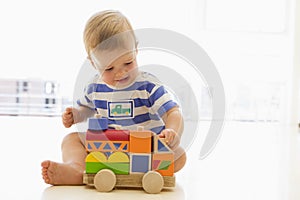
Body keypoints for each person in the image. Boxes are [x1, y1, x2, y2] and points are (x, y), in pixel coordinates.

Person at [41, 10, 186, 185]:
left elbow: (173, 112)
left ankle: (147, 170)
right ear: (94, 63)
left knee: (179, 155)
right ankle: (78, 169)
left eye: (128, 62)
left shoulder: (148, 86)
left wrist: (172, 132)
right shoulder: (94, 88)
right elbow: (85, 110)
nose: (121, 73)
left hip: (145, 149)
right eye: (109, 69)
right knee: (70, 140)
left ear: (136, 51)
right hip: (107, 150)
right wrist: (75, 115)